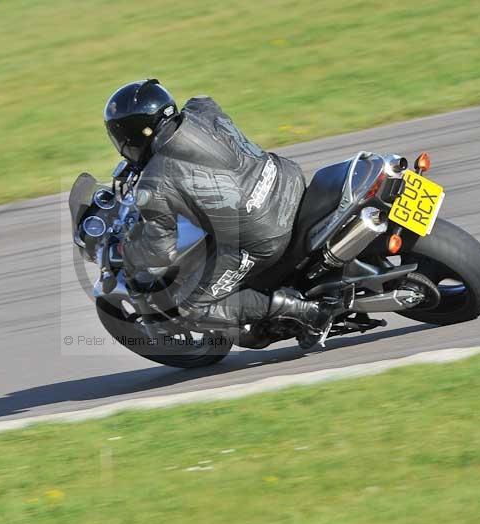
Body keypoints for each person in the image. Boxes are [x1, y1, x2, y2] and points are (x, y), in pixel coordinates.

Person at [105, 79, 343, 347]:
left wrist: (128, 251)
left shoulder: (154, 183)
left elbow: (162, 251)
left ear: (132, 134)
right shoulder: (201, 107)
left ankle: (308, 313)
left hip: (262, 232)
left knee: (190, 308)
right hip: (287, 181)